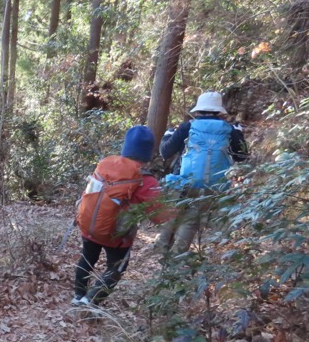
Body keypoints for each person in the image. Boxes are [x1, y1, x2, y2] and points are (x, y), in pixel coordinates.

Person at [72, 125, 170, 306]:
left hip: (88, 227)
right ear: (148, 152)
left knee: (87, 259)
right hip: (116, 237)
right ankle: (91, 301)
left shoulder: (105, 165)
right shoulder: (146, 180)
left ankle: (78, 296)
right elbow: (160, 215)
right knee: (117, 267)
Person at [154, 91, 249, 254]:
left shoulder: (188, 127)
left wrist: (167, 135)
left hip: (184, 181)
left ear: (198, 109)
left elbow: (165, 152)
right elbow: (242, 156)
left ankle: (160, 250)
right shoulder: (229, 130)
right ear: (218, 111)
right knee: (190, 221)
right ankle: (176, 258)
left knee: (172, 213)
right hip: (213, 186)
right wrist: (239, 134)